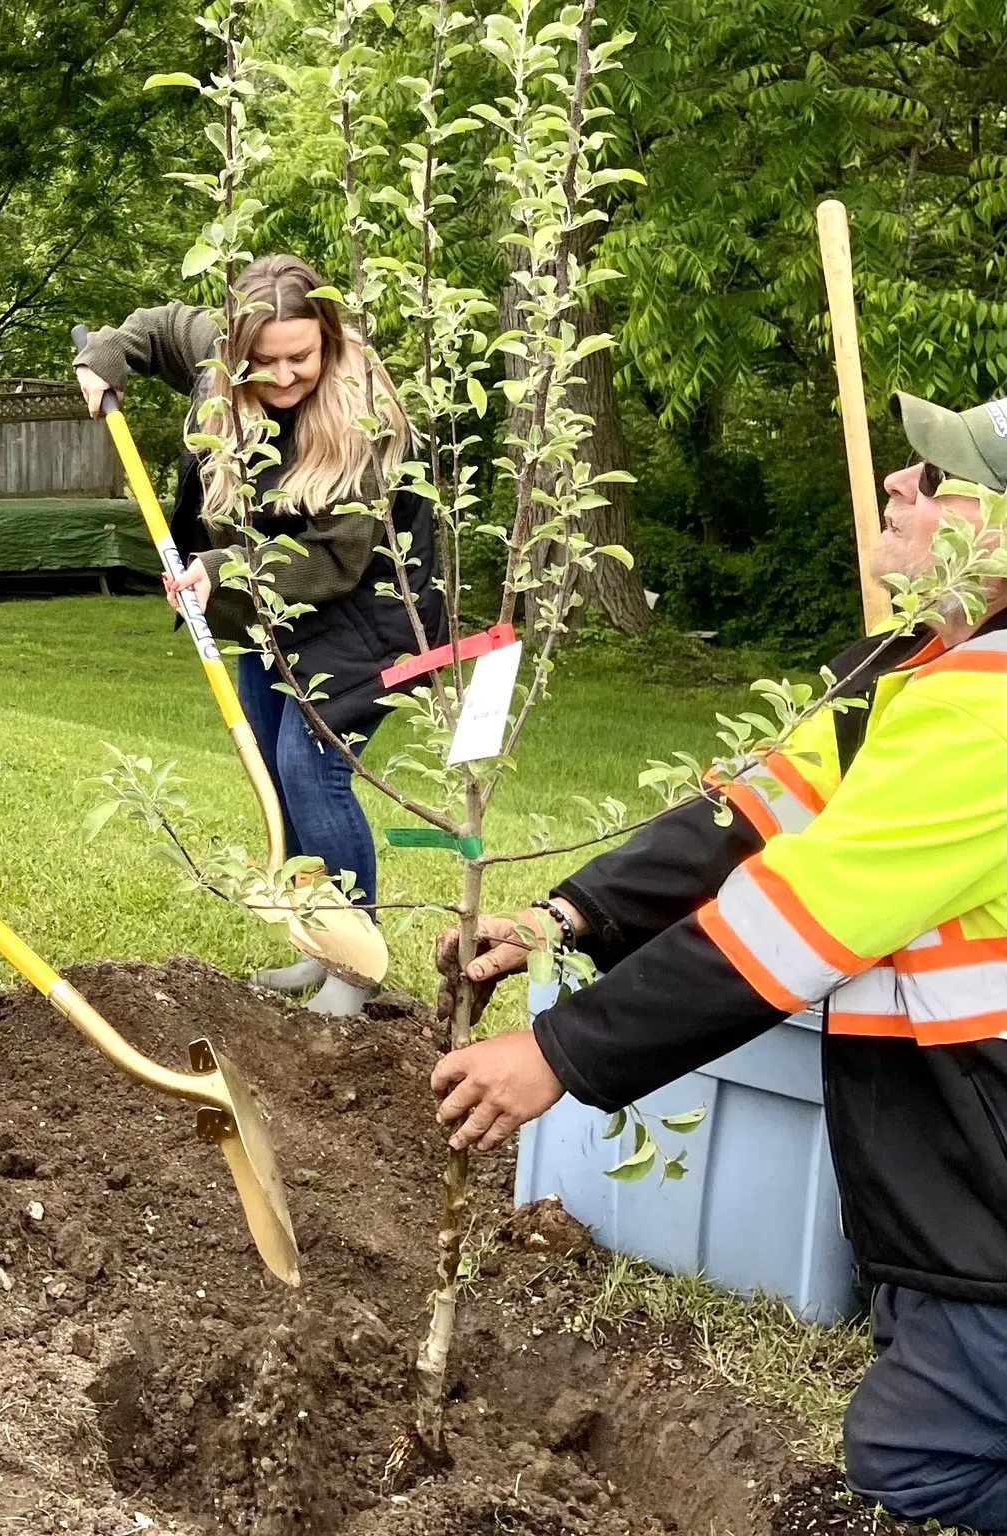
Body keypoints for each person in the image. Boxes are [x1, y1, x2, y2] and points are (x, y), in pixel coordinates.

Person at [429, 391, 1007, 1532]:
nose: (897, 486)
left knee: (915, 1464)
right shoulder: (911, 664)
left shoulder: (984, 712)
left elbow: (788, 922)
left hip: (984, 1164)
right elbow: (743, 818)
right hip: (945, 1153)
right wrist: (565, 916)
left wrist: (555, 1053)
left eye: (934, 480)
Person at [74, 254, 447, 1002]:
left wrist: (223, 572)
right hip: (270, 610)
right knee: (278, 771)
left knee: (314, 766)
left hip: (370, 607)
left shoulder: (363, 416)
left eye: (300, 357)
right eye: (262, 361)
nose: (281, 377)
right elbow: (152, 330)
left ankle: (355, 968)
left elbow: (338, 560)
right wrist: (102, 359)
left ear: (331, 341)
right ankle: (318, 940)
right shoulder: (218, 358)